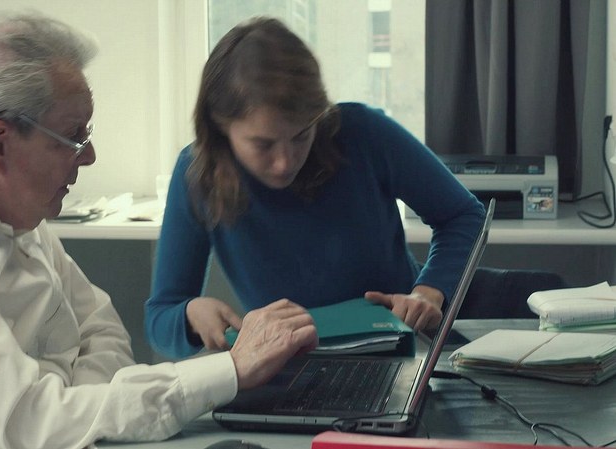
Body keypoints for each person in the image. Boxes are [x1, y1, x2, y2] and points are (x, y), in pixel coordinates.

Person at [0, 12, 318, 449]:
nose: (89, 155)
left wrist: (70, 405)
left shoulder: (10, 210)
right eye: (74, 136)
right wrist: (231, 370)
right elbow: (29, 425)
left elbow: (105, 332)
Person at [144, 16, 485, 360]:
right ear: (220, 128)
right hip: (290, 367)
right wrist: (189, 314)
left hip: (401, 354)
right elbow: (160, 317)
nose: (284, 162)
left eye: (301, 136)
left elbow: (463, 214)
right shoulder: (197, 174)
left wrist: (429, 291)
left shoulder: (364, 134)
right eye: (263, 144)